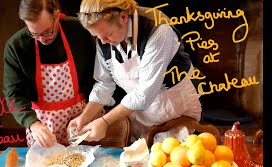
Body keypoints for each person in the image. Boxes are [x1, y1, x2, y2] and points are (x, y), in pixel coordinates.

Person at [68, 0, 203, 142]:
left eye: (107, 34)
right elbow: (104, 83)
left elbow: (144, 93)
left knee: (175, 159)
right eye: (97, 36)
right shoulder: (104, 37)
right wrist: (85, 116)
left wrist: (105, 122)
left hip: (176, 108)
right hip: (141, 113)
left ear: (123, 17)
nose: (102, 42)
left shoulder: (158, 29)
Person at [3, 0, 96, 148]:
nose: (42, 39)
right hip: (42, 124)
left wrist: (94, 111)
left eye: (47, 32)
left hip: (80, 117)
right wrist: (32, 124)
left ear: (57, 16)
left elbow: (97, 75)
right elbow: (13, 95)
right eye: (34, 34)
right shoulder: (16, 46)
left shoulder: (79, 30)